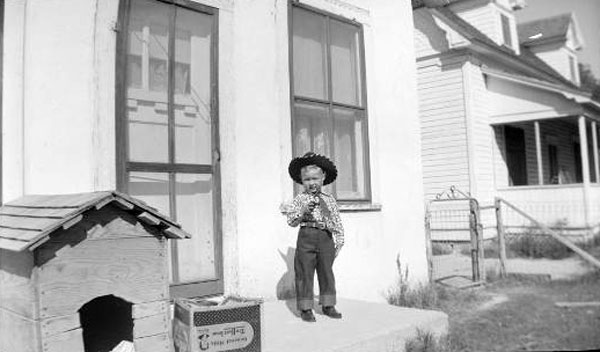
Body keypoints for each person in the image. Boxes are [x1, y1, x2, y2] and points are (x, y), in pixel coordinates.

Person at [285, 152, 344, 322]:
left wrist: (339, 241)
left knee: (326, 271)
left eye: (315, 179)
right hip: (306, 236)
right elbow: (291, 221)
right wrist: (303, 210)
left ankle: (328, 304)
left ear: (323, 178)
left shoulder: (330, 200)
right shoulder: (299, 199)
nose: (311, 183)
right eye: (307, 180)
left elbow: (337, 221)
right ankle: (305, 308)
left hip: (325, 237)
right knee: (304, 272)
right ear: (302, 181)